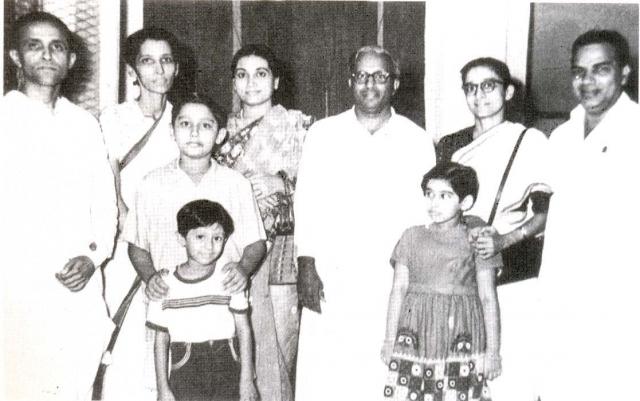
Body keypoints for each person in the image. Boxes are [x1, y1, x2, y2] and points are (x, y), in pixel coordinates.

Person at [294, 45, 436, 401]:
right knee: (328, 371)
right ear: (349, 81)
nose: (370, 84)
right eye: (362, 75)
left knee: (383, 372)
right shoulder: (323, 134)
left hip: (391, 277)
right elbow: (307, 200)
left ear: (396, 84)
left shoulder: (416, 140)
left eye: (380, 76)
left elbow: (425, 214)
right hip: (332, 274)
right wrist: (306, 263)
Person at [0, 11, 117, 400]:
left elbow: (105, 206)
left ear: (70, 59)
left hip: (78, 290)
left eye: (57, 47)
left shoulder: (84, 124)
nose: (47, 55)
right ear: (16, 57)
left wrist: (91, 256)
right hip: (17, 294)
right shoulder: (6, 119)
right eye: (35, 46)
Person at [122, 93, 267, 379]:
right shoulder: (152, 184)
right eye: (185, 124)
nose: (194, 133)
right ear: (172, 130)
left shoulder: (236, 184)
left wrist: (243, 268)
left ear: (221, 134)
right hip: (171, 317)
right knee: (167, 386)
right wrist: (150, 276)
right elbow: (137, 246)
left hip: (221, 319)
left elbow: (256, 243)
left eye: (206, 125)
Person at [436, 57, 549, 400]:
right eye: (471, 87)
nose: (479, 95)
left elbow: (546, 214)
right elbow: (439, 207)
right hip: (461, 276)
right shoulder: (449, 145)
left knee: (509, 378)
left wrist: (503, 240)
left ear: (509, 91)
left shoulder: (530, 141)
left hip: (514, 272)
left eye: (489, 85)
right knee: (460, 378)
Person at [538, 30, 640, 401]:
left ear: (624, 73)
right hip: (563, 295)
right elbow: (549, 210)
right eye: (579, 71)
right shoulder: (562, 136)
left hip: (621, 301)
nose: (587, 81)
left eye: (601, 69)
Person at [214, 44, 311, 401]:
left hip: (278, 258)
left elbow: (324, 191)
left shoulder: (299, 127)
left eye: (261, 73)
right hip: (230, 253)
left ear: (276, 81)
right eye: (242, 74)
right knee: (235, 351)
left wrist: (282, 183)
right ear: (234, 83)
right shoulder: (219, 133)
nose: (251, 82)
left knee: (277, 351)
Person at [99, 27, 182, 400]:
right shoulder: (113, 120)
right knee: (126, 340)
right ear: (133, 69)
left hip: (175, 247)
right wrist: (135, 234)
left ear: (176, 68)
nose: (158, 70)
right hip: (126, 246)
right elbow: (108, 184)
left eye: (166, 60)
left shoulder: (184, 120)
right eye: (148, 61)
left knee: (166, 342)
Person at [381, 162, 502, 401]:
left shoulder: (478, 238)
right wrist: (389, 339)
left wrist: (493, 352)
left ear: (465, 202)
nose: (434, 203)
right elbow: (398, 290)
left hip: (461, 332)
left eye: (445, 196)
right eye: (429, 194)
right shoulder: (411, 236)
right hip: (416, 333)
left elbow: (488, 297)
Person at [147, 199, 258, 401]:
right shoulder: (164, 283)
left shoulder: (230, 278)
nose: (209, 246)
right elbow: (160, 340)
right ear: (181, 238)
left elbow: (244, 330)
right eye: (200, 236)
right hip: (186, 368)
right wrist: (163, 389)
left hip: (228, 364)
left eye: (217, 238)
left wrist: (247, 380)